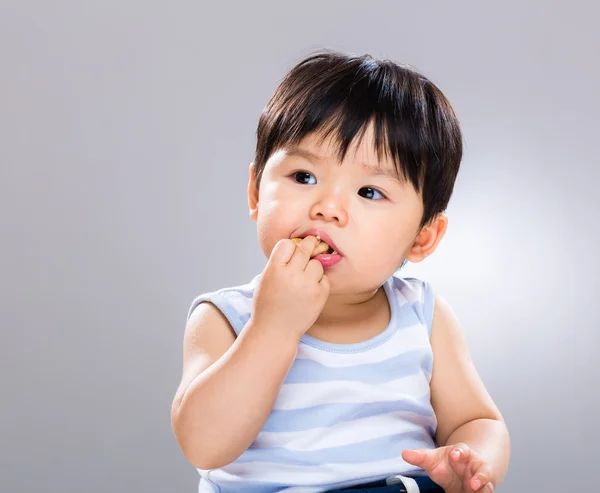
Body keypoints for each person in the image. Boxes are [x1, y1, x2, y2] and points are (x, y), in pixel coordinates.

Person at [171, 51, 510, 493]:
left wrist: (470, 459)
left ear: (422, 237)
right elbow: (203, 445)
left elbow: (478, 420)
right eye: (304, 176)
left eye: (369, 191)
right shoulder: (227, 317)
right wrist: (274, 326)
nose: (327, 208)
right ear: (256, 191)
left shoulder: (421, 316)